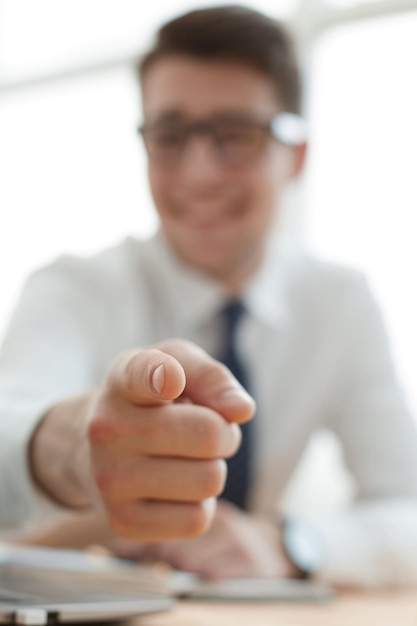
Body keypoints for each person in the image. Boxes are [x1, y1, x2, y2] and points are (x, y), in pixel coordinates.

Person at [1, 5, 417, 587]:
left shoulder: (341, 301)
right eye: (170, 137)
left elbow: (407, 510)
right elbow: (9, 422)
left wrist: (290, 542)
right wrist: (68, 449)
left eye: (237, 136)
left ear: (295, 157)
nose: (198, 173)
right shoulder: (72, 286)